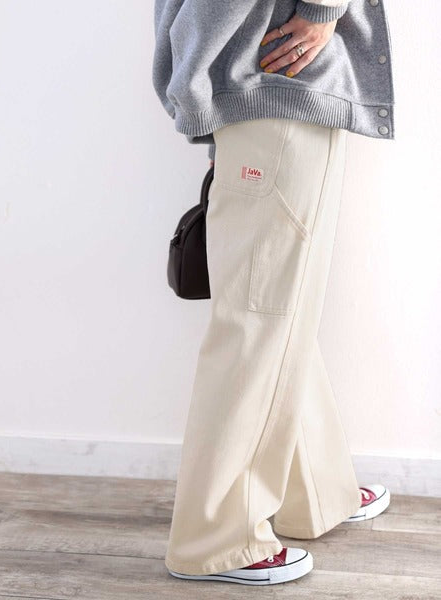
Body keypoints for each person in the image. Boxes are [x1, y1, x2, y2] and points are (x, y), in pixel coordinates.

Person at [152, 0, 394, 586]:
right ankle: (217, 538)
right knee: (258, 323)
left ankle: (315, 493)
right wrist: (324, 6)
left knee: (280, 313)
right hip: (278, 81)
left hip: (254, 79)